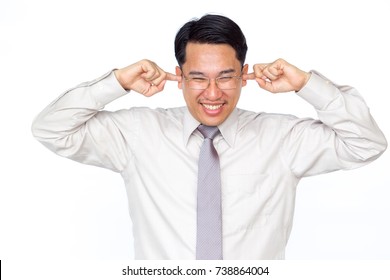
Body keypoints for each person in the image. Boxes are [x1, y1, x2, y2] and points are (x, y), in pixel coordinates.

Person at [31, 14, 387, 260]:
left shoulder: (282, 138)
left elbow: (366, 144)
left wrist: (308, 85)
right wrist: (117, 82)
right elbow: (51, 128)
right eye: (198, 77)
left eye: (226, 77)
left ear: (245, 75)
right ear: (179, 76)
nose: (213, 93)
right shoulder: (137, 134)